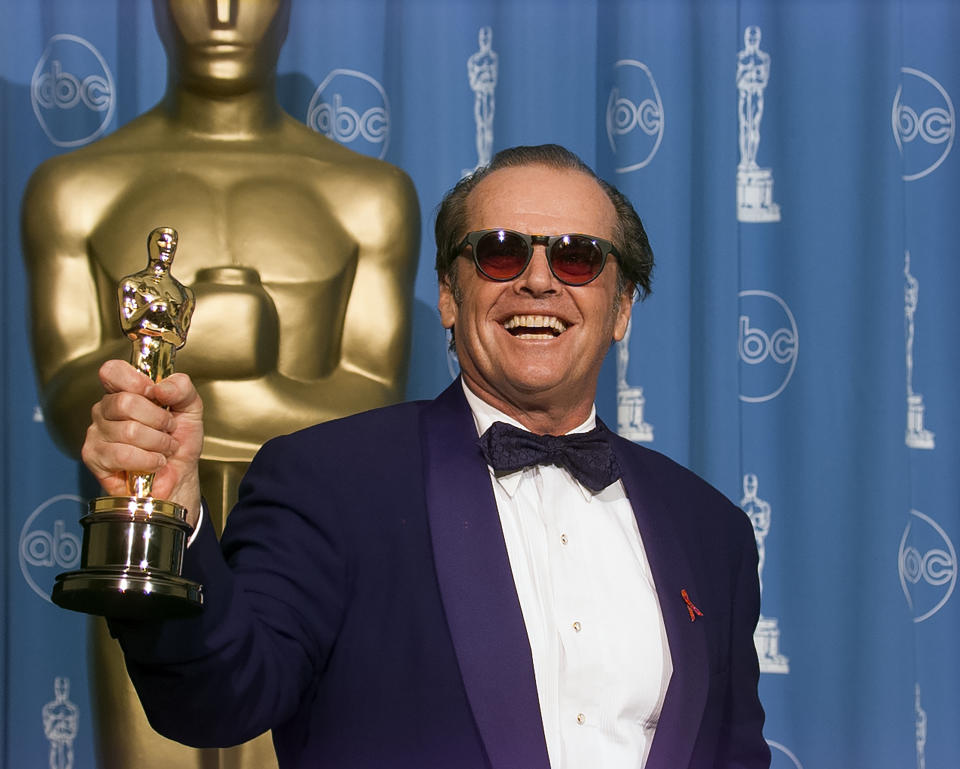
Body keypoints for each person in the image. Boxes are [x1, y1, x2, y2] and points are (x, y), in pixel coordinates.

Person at [83, 145, 769, 769]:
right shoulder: (331, 480)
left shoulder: (713, 532)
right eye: (501, 252)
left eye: (577, 257)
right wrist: (168, 521)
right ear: (448, 293)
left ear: (620, 305)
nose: (538, 281)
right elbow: (220, 696)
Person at [22, 1, 418, 767]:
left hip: (311, 545)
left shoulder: (369, 196)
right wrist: (221, 357)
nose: (225, 10)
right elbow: (76, 395)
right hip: (143, 544)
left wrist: (222, 367)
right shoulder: (74, 189)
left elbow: (375, 402)